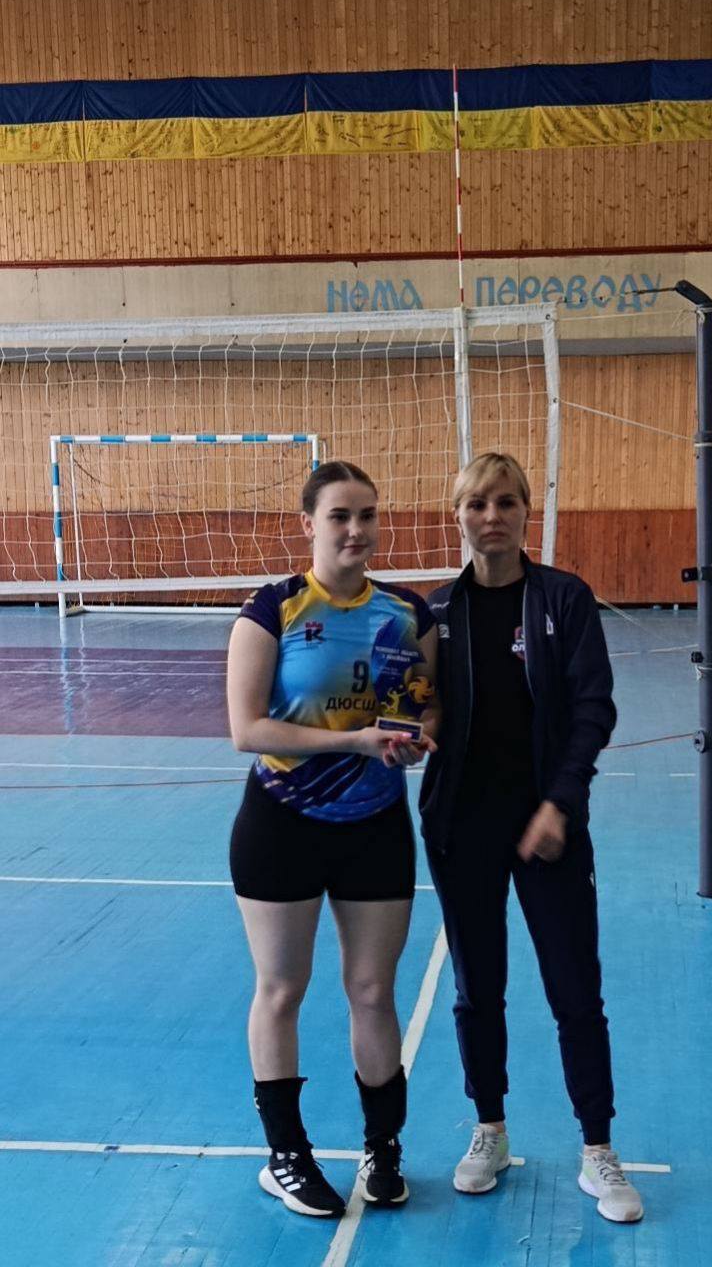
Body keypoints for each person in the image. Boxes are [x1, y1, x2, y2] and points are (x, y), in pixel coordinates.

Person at [419, 451, 643, 1225]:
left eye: (506, 502)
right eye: (477, 503)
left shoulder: (564, 599)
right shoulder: (435, 612)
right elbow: (422, 707)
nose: (492, 516)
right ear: (458, 515)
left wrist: (560, 804)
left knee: (575, 990)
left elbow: (594, 709)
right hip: (461, 827)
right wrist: (408, 730)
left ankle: (598, 1148)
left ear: (525, 512)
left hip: (550, 826)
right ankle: (490, 1130)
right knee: (477, 989)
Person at [226, 460, 438, 1218]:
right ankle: (286, 1156)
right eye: (340, 515)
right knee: (281, 989)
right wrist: (353, 742)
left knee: (373, 992)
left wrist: (417, 738)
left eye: (367, 514)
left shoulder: (408, 613)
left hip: (374, 827)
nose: (357, 529)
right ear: (308, 523)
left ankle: (384, 1149)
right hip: (281, 823)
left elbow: (428, 707)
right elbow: (247, 729)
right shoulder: (271, 609)